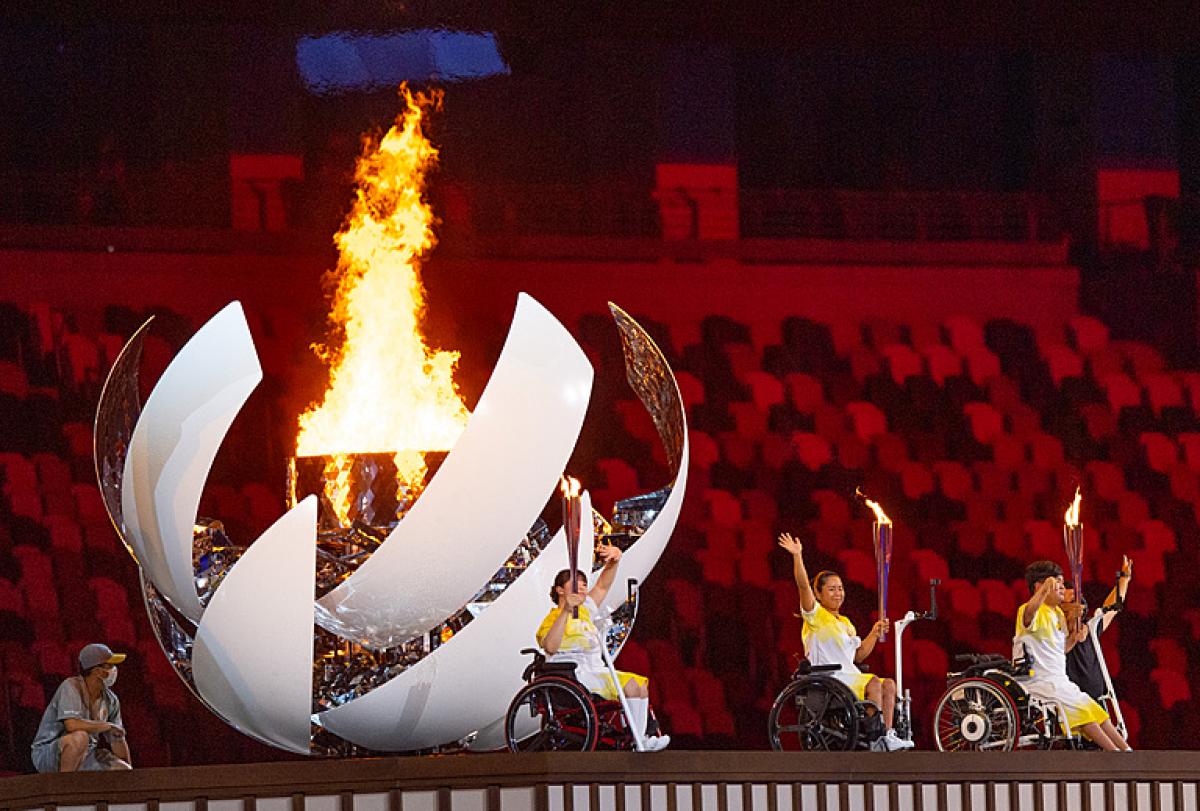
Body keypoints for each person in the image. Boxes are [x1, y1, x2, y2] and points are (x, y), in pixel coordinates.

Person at [777, 532, 913, 751]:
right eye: (831, 589)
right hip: (829, 677)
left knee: (888, 684)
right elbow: (803, 585)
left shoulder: (846, 622)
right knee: (875, 683)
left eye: (840, 588)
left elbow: (858, 656)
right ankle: (875, 735)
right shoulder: (815, 616)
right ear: (818, 594)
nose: (838, 593)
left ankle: (887, 735)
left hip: (849, 675)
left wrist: (874, 633)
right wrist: (797, 556)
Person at [536, 544, 670, 751]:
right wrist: (566, 612)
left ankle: (640, 738)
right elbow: (550, 647)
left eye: (583, 584)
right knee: (631, 686)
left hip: (596, 670)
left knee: (637, 686)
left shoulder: (586, 610)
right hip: (573, 674)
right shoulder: (552, 618)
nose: (582, 588)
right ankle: (639, 739)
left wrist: (615, 561)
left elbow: (602, 586)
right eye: (575, 584)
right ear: (560, 590)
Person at [1015, 561, 1131, 751]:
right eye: (1057, 583)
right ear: (1040, 586)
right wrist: (1044, 591)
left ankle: (1128, 753)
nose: (1061, 587)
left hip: (1061, 682)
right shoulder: (1029, 610)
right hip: (1040, 681)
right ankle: (1116, 756)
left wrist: (1074, 638)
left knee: (1098, 713)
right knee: (1083, 711)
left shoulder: (1058, 615)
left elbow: (1062, 649)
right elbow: (1028, 615)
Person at [31, 643, 132, 772]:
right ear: (97, 671)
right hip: (49, 753)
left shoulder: (111, 700)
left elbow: (117, 736)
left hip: (86, 753)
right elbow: (71, 725)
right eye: (110, 665)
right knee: (80, 737)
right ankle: (64, 787)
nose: (114, 670)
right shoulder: (71, 686)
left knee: (121, 769)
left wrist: (130, 773)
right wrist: (107, 726)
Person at [1064, 555, 1133, 702]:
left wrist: (1124, 578)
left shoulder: (1091, 627)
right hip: (1072, 702)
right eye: (1072, 599)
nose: (1078, 601)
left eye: (1078, 598)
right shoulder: (1055, 631)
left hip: (1097, 700)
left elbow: (1113, 607)